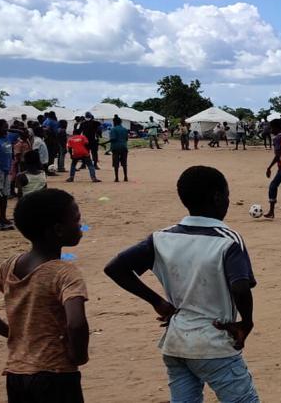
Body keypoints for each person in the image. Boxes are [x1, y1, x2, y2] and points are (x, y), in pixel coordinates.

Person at [104, 166, 259, 403]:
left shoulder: (161, 238)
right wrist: (246, 322)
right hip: (214, 342)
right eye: (227, 195)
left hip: (176, 343)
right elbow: (240, 287)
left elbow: (115, 268)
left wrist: (157, 301)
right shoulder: (228, 240)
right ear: (218, 197)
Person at [0, 189, 89, 402]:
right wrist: (79, 355)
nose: (80, 224)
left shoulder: (9, 265)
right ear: (58, 230)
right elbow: (76, 323)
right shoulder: (65, 273)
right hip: (56, 374)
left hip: (16, 373)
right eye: (76, 219)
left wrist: (11, 332)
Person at [98, 117, 130, 183]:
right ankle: (125, 177)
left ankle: (117, 178)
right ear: (121, 122)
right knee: (124, 163)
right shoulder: (125, 129)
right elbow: (126, 139)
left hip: (115, 148)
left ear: (114, 122)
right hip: (124, 147)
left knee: (116, 163)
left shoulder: (113, 129)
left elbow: (113, 139)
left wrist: (104, 143)